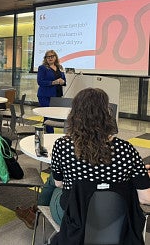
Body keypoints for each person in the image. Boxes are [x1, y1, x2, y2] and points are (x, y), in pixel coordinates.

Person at [16, 88, 150, 233]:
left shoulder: (62, 145)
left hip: (72, 217)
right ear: (107, 115)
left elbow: (59, 184)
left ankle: (35, 212)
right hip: (115, 221)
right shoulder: (126, 150)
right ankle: (34, 211)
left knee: (53, 179)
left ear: (74, 115)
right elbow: (145, 199)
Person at [37, 50, 66, 133]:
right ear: (45, 58)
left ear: (55, 57)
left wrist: (63, 82)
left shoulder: (60, 67)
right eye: (48, 57)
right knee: (48, 116)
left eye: (52, 56)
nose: (50, 58)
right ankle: (49, 134)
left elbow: (64, 80)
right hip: (45, 95)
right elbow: (40, 82)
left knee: (55, 115)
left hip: (57, 95)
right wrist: (54, 82)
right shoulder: (42, 68)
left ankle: (46, 133)